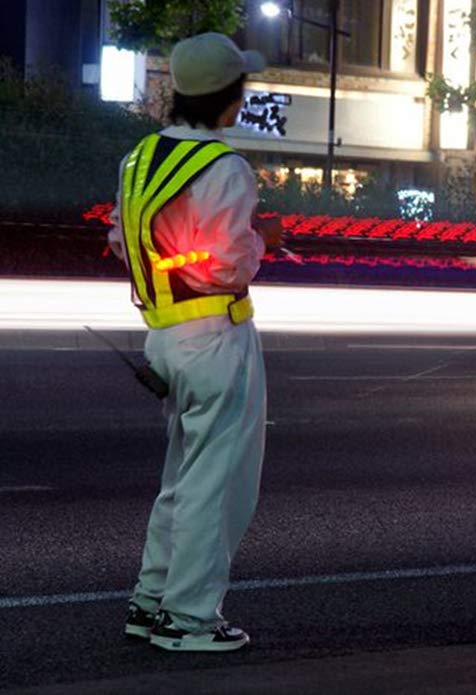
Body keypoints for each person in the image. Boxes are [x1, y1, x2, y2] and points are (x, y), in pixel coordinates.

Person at [107, 32, 281, 652]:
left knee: (181, 478)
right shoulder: (225, 167)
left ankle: (150, 600)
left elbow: (121, 244)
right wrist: (265, 240)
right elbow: (230, 264)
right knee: (218, 484)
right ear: (230, 100)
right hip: (216, 336)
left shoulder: (139, 160)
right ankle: (189, 617)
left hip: (162, 335)